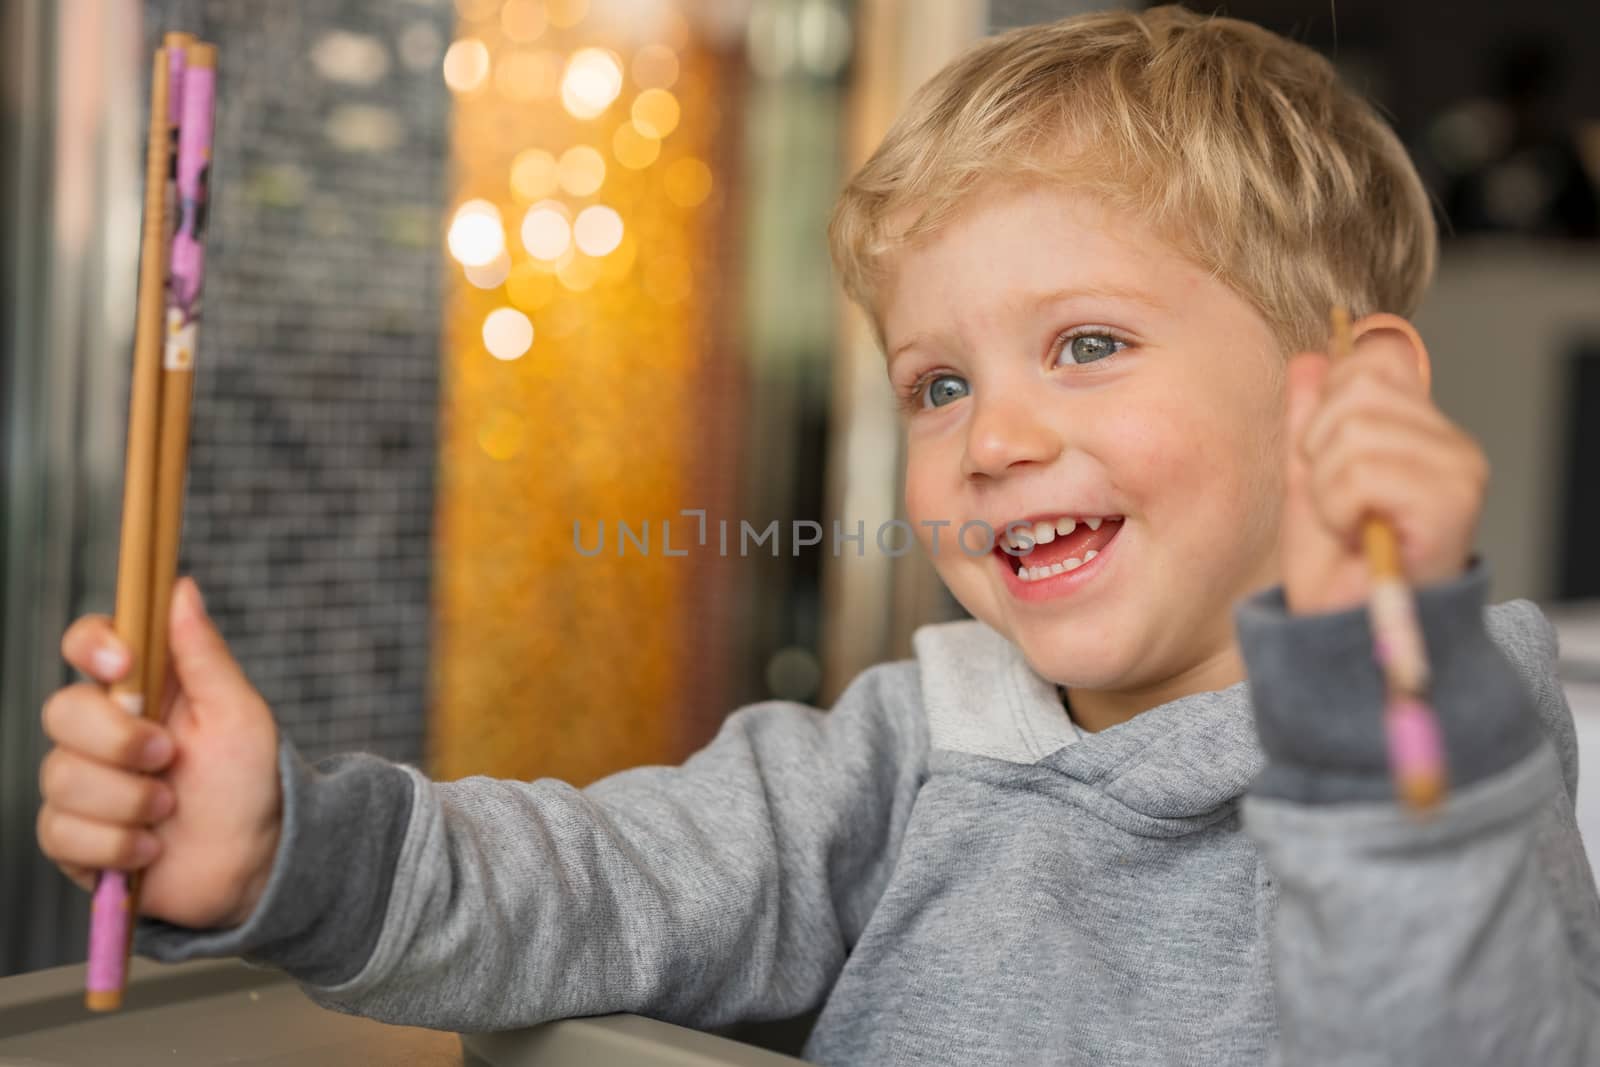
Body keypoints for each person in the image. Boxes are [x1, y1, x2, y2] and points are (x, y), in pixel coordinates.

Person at [35, 7, 1600, 1064]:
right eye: (936, 382)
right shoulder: (910, 748)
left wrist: (1367, 672)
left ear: (1352, 400)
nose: (990, 440)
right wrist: (280, 851)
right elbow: (596, 881)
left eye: (1089, 345)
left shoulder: (1445, 744)